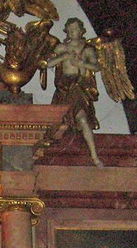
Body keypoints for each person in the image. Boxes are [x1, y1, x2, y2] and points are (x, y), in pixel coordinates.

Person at [47, 18, 104, 167]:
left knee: (83, 120)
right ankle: (49, 156)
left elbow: (96, 67)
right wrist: (64, 57)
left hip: (79, 88)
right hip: (64, 89)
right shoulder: (61, 48)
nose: (73, 32)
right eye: (70, 30)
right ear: (66, 31)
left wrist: (81, 64)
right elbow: (47, 63)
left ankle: (94, 156)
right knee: (56, 123)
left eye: (76, 29)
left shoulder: (87, 49)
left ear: (81, 31)